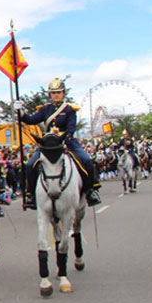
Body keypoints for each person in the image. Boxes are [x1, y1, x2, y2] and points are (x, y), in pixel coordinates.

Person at [16, 77, 101, 209]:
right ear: (50, 94)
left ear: (63, 93)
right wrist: (20, 111)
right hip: (48, 145)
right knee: (30, 165)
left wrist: (65, 139)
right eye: (53, 93)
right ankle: (31, 195)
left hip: (66, 142)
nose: (56, 95)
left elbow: (71, 128)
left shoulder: (69, 110)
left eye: (58, 92)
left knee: (87, 160)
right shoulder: (45, 110)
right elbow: (30, 120)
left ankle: (90, 191)